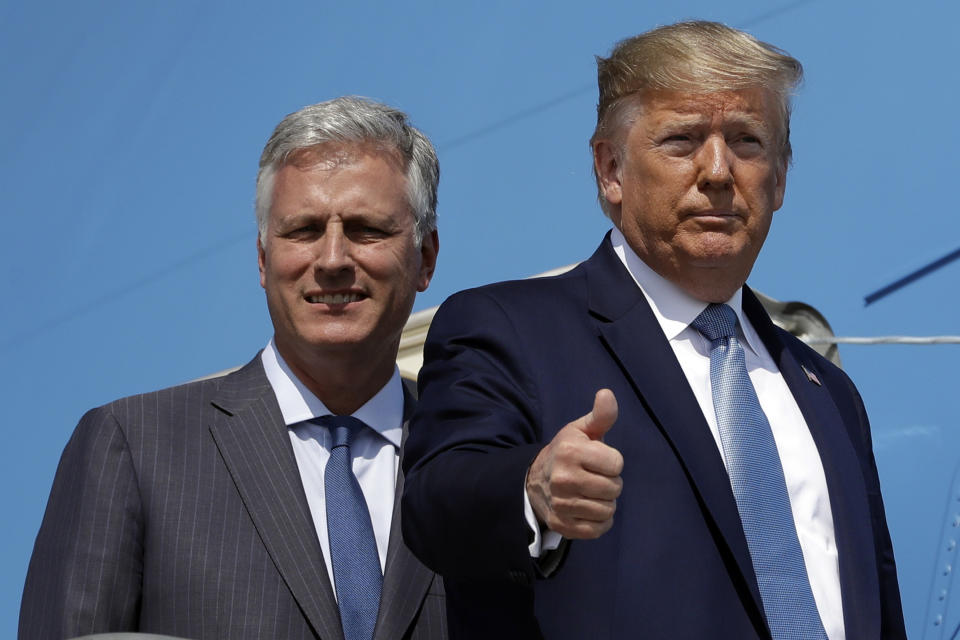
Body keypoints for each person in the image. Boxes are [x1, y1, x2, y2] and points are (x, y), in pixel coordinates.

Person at [401, 21, 906, 640]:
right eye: (682, 140)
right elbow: (435, 506)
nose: (718, 171)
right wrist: (531, 489)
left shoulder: (829, 392)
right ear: (610, 168)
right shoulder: (507, 330)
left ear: (779, 179)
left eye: (747, 142)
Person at [20, 96, 445, 640]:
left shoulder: (480, 444)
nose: (334, 259)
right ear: (264, 261)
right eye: (304, 230)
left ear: (425, 258)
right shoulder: (134, 447)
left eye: (366, 229)